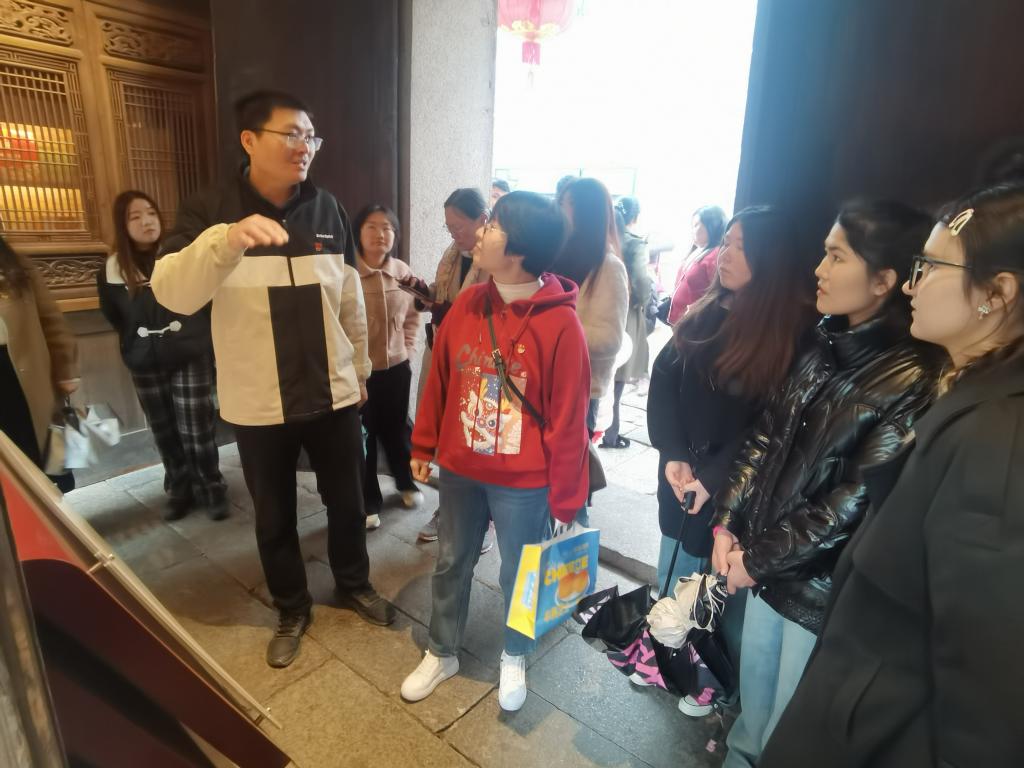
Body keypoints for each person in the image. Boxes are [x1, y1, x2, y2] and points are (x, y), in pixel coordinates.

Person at [760, 183, 1024, 768]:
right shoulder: (970, 396)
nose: (911, 284)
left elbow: (986, 696)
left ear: (997, 293)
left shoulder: (999, 437)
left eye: (930, 268)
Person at [150, 90, 394, 670]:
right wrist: (227, 239)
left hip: (332, 390)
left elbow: (348, 298)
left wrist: (360, 369)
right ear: (249, 140)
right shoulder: (210, 208)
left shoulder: (327, 208)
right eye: (291, 134)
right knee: (275, 513)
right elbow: (171, 291)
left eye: (310, 137)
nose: (303, 147)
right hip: (258, 399)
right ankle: (291, 607)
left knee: (347, 500)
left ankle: (354, 583)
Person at [709, 200, 944, 767]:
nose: (820, 269)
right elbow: (765, 438)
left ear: (884, 280)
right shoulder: (821, 342)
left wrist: (757, 558)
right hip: (764, 568)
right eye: (823, 253)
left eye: (837, 257)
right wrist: (728, 519)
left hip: (818, 591)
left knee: (791, 732)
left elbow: (852, 502)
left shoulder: (913, 377)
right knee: (752, 716)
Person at [399, 191, 589, 712]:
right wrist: (423, 443)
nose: (481, 231)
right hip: (462, 467)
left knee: (519, 572)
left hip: (523, 479)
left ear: (520, 248)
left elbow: (569, 419)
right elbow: (440, 379)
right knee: (451, 561)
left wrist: (566, 497)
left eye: (495, 225)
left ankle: (515, 652)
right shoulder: (468, 303)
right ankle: (442, 650)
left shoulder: (561, 325)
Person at [647, 206, 817, 716]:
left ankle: (712, 681)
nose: (725, 254)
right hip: (683, 476)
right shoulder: (707, 309)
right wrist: (673, 454)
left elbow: (770, 428)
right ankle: (670, 657)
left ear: (772, 258)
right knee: (675, 572)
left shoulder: (793, 334)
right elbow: (663, 380)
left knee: (719, 591)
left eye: (741, 246)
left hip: (736, 492)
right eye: (726, 242)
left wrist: (713, 477)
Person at [97, 190, 227, 521]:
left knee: (196, 425)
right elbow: (115, 316)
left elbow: (207, 299)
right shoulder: (112, 269)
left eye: (151, 213)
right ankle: (180, 488)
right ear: (122, 225)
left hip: (189, 352)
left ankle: (211, 486)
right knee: (163, 429)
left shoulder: (179, 256)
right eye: (135, 216)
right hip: (145, 359)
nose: (146, 221)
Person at [400, 188, 491, 549]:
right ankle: (448, 511)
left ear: (483, 219)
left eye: (459, 226)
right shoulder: (453, 254)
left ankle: (482, 521)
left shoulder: (500, 259)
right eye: (448, 227)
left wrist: (450, 312)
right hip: (442, 353)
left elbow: (494, 312)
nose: (454, 233)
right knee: (448, 438)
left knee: (477, 442)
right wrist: (424, 292)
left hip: (479, 364)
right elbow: (444, 293)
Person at [353, 204, 422, 530]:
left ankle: (405, 482)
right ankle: (368, 500)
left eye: (387, 227)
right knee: (363, 438)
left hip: (396, 368)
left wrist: (407, 350)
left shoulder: (401, 272)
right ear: (358, 231)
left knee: (396, 431)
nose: (380, 234)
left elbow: (413, 316)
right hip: (359, 374)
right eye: (371, 226)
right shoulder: (347, 273)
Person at [0, 234, 78, 489]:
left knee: (38, 451)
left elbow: (52, 321)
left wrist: (66, 369)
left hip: (25, 373)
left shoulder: (17, 266)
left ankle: (51, 509)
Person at [555, 177, 629, 434]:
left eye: (565, 204)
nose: (558, 210)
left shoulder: (609, 267)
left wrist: (555, 333)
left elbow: (610, 339)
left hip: (580, 389)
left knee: (567, 458)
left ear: (585, 211)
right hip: (545, 380)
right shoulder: (557, 254)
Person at [601, 196, 653, 449]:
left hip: (601, 307)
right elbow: (642, 281)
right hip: (626, 311)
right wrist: (643, 302)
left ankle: (605, 428)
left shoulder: (599, 238)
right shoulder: (635, 243)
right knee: (618, 373)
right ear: (635, 216)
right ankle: (610, 431)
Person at [666, 205, 728, 325]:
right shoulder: (698, 249)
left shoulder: (715, 255)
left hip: (693, 321)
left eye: (696, 225)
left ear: (711, 226)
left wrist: (695, 310)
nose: (692, 230)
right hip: (679, 318)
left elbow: (716, 293)